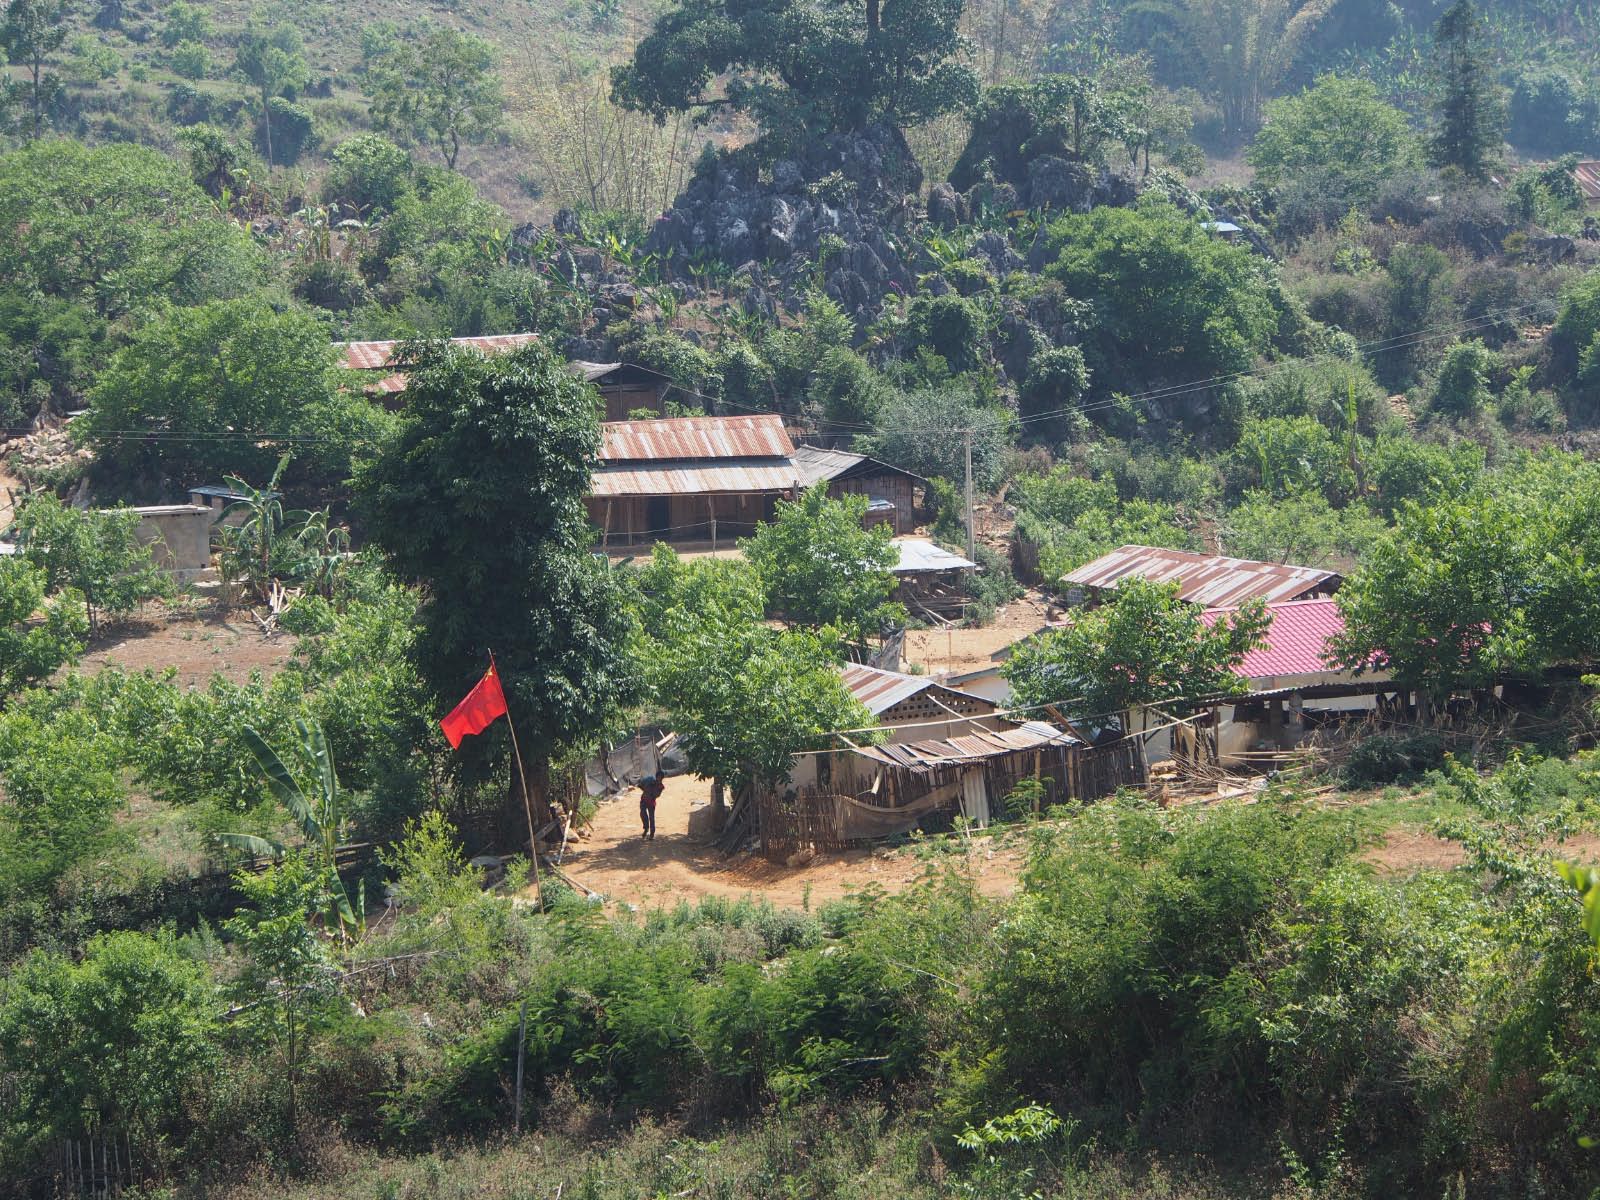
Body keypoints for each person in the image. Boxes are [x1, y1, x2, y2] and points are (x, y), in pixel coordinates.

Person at [638, 774, 664, 840]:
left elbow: (657, 795)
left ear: (662, 779)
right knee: (642, 813)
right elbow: (640, 785)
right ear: (656, 777)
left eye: (660, 778)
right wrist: (645, 791)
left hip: (651, 802)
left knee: (651, 817)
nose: (659, 779)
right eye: (658, 777)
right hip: (644, 800)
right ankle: (646, 828)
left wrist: (651, 794)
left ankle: (652, 833)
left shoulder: (661, 786)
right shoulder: (649, 780)